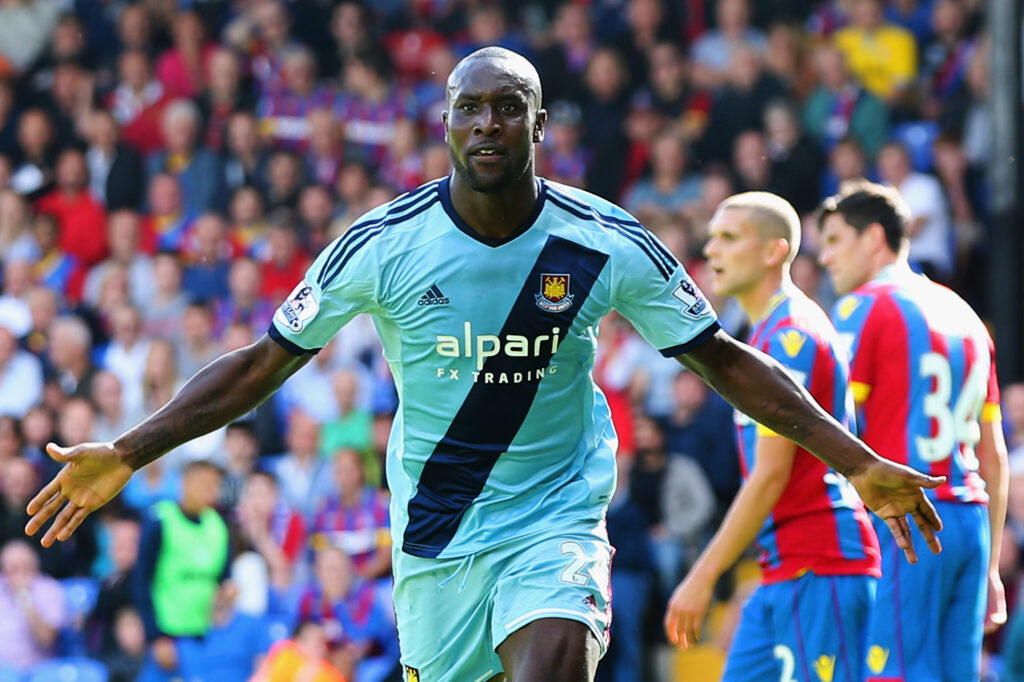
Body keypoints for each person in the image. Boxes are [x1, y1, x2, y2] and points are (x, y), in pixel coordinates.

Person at [25, 48, 944, 682]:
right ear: (446, 123)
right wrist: (132, 450)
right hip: (435, 533)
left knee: (551, 660)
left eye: (511, 107)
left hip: (556, 516)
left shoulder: (602, 239)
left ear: (540, 124)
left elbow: (722, 360)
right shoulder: (385, 244)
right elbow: (265, 362)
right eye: (472, 106)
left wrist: (856, 460)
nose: (489, 122)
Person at [664, 192, 881, 679]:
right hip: (785, 566)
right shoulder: (763, 334)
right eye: (712, 236)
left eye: (729, 237)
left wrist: (702, 576)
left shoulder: (792, 336)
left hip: (822, 564)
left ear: (773, 251)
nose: (711, 249)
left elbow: (769, 475)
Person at [817, 181, 1009, 681]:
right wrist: (990, 566)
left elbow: (830, 429)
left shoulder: (864, 308)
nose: (824, 257)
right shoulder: (966, 315)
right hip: (971, 523)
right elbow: (994, 454)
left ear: (873, 238)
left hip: (906, 520)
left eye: (835, 240)